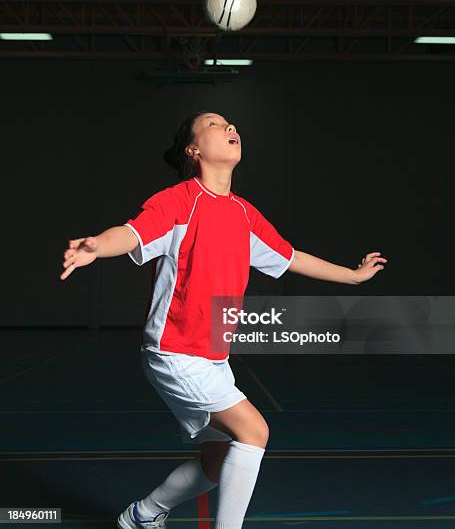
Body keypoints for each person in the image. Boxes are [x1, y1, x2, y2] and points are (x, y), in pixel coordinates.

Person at [60, 110, 388, 528]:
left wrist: (354, 276)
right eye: (215, 124)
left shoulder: (245, 215)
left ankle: (143, 515)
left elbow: (290, 257)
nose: (230, 128)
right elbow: (131, 233)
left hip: (213, 356)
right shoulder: (178, 201)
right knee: (255, 431)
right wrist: (96, 247)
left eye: (231, 124)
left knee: (217, 460)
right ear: (194, 150)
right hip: (174, 351)